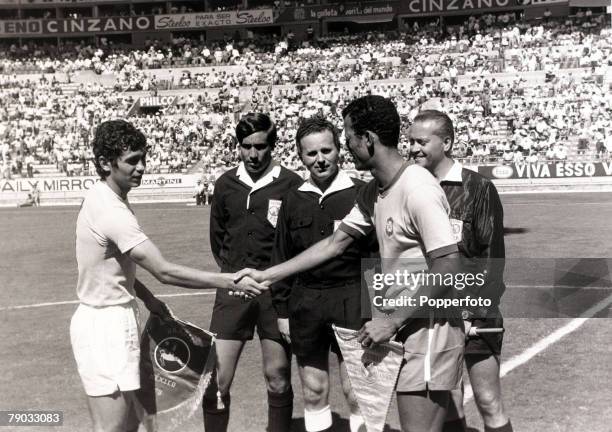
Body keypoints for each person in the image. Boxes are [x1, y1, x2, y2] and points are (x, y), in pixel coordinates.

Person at [237, 96, 465, 432]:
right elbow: (334, 243)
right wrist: (266, 275)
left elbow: (449, 265)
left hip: (428, 331)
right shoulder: (376, 191)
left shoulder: (417, 188)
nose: (346, 146)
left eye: (348, 137)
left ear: (367, 139)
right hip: (407, 329)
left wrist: (391, 322)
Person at [71, 120, 265, 432]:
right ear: (106, 163)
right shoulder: (111, 211)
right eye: (132, 160)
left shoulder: (103, 197)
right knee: (112, 427)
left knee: (132, 422)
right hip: (104, 324)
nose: (142, 167)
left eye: (143, 158)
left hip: (113, 316)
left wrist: (148, 299)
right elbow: (163, 270)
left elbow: (110, 267)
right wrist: (229, 280)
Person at [408, 110, 512, 432]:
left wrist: (472, 313)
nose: (413, 149)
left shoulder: (477, 188)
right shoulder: (411, 188)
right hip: (431, 315)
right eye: (410, 141)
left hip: (473, 315)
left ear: (447, 142)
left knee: (487, 401)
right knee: (448, 402)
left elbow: (491, 259)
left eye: (422, 142)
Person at [271, 115, 376, 432]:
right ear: (301, 156)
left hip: (353, 299)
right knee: (314, 391)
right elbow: (282, 256)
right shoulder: (292, 199)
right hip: (306, 303)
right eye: (311, 153)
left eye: (326, 151)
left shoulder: (363, 193)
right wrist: (282, 311)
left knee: (357, 392)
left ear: (339, 150)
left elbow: (377, 257)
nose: (320, 160)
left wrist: (377, 310)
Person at [206, 113, 303, 432]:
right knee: (216, 379)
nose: (253, 154)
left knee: (277, 377)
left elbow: (297, 243)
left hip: (275, 294)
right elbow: (217, 237)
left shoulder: (290, 183)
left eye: (260, 146)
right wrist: (234, 272)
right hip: (233, 290)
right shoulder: (225, 183)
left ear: (272, 145)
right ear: (238, 147)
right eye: (246, 146)